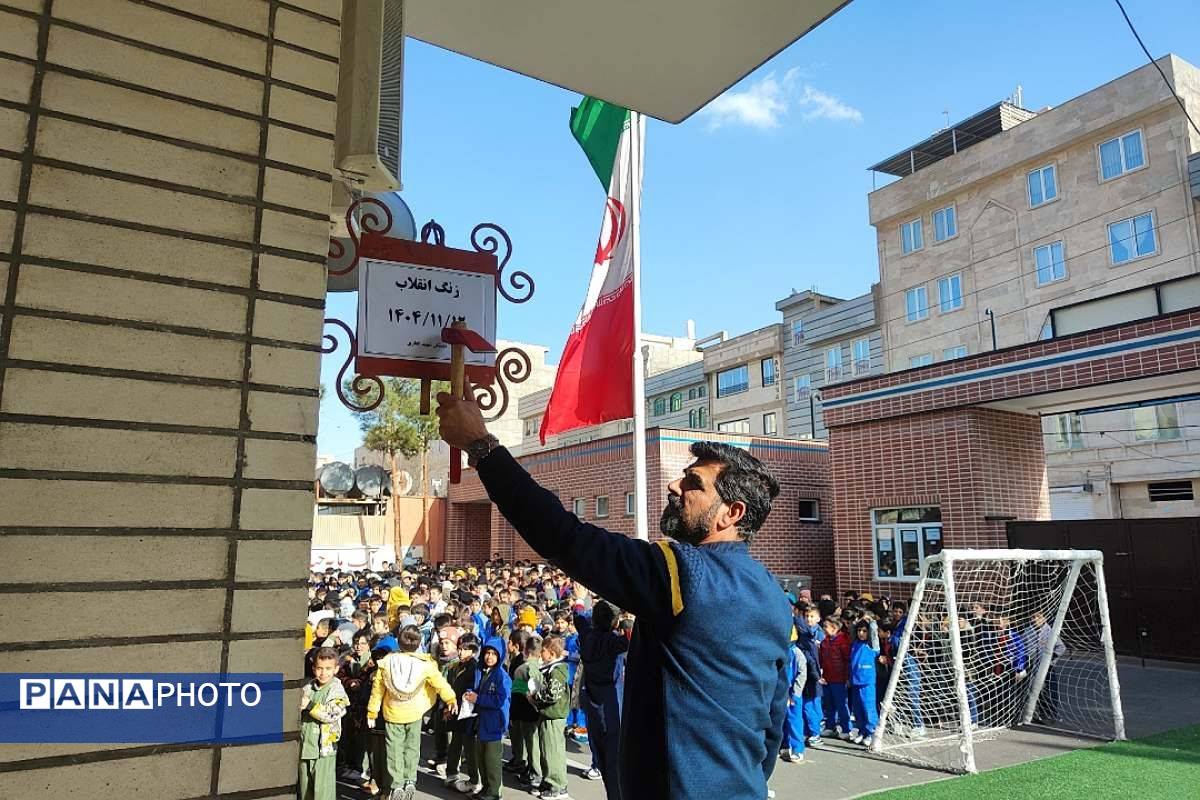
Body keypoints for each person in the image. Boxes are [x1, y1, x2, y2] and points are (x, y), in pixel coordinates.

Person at [437, 392, 791, 800]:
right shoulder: (773, 595)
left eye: (693, 483)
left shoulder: (685, 574)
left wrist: (482, 447)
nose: (675, 485)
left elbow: (564, 536)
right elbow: (771, 724)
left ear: (732, 513)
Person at [367, 625, 457, 800]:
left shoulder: (386, 663)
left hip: (393, 712)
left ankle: (396, 783)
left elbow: (377, 691)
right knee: (412, 748)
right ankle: (410, 778)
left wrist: (372, 712)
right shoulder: (426, 664)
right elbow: (440, 683)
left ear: (399, 642)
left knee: (394, 750)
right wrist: (451, 699)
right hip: (415, 712)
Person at [576, 601, 629, 797]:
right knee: (615, 758)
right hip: (611, 700)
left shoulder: (586, 635)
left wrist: (581, 601)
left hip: (591, 696)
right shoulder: (613, 641)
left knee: (601, 753)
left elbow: (578, 617)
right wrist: (627, 622)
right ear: (614, 622)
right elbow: (631, 637)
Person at [299, 647, 350, 800]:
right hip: (305, 747)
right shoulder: (308, 687)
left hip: (324, 750)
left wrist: (309, 705)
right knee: (305, 790)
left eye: (328, 669)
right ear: (313, 668)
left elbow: (331, 714)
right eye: (319, 668)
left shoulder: (337, 690)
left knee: (322, 792)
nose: (323, 673)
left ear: (336, 669)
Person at [467, 637, 512, 800]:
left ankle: (494, 792)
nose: (489, 657)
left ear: (500, 656)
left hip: (494, 724)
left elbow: (500, 700)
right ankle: (485, 788)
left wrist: (478, 699)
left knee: (492, 761)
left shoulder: (501, 676)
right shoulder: (482, 671)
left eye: (494, 654)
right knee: (482, 759)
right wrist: (470, 693)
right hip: (482, 722)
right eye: (487, 653)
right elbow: (476, 689)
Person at [530, 633, 572, 800]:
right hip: (548, 715)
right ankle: (549, 781)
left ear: (552, 654)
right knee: (546, 750)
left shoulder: (557, 671)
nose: (541, 654)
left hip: (554, 716)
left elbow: (553, 694)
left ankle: (557, 785)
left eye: (543, 651)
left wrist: (535, 696)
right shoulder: (551, 669)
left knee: (552, 751)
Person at [445, 634, 481, 791]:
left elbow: (472, 690)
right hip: (456, 709)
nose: (460, 652)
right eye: (459, 648)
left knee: (469, 746)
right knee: (455, 743)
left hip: (467, 712)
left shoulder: (474, 667)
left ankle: (475, 779)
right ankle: (451, 773)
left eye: (465, 649)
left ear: (473, 651)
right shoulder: (457, 665)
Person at [509, 634, 544, 789]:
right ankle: (532, 769)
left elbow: (520, 694)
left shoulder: (523, 669)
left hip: (526, 711)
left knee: (531, 744)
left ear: (525, 651)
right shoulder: (541, 667)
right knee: (534, 743)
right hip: (536, 712)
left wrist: (513, 714)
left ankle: (535, 773)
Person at [792, 602, 824, 751]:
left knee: (810, 706)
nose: (809, 619)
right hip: (809, 675)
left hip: (812, 676)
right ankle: (811, 732)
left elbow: (812, 659)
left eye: (812, 616)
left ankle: (815, 734)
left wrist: (817, 675)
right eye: (807, 616)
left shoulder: (810, 637)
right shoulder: (806, 635)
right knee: (808, 705)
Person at [1027, 610, 1066, 724]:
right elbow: (1024, 646)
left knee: (1048, 691)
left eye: (1038, 617)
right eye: (1033, 617)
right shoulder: (1028, 631)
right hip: (1032, 667)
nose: (1035, 619)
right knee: (1032, 691)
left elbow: (1061, 647)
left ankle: (1050, 714)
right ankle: (1033, 714)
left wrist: (1049, 660)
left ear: (1044, 619)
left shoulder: (1050, 632)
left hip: (1046, 669)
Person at [818, 616, 852, 738]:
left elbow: (848, 660)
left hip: (839, 678)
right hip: (827, 677)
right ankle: (830, 727)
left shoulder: (843, 641)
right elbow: (821, 659)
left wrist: (847, 677)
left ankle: (846, 729)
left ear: (834, 627)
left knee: (841, 704)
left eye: (826, 626)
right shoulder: (825, 642)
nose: (824, 629)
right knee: (829, 704)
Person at [848, 621, 879, 745]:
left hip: (867, 682)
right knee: (858, 709)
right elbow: (852, 628)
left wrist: (871, 621)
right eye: (859, 630)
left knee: (868, 708)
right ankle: (862, 731)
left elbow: (874, 632)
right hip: (855, 681)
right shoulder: (855, 644)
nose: (861, 633)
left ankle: (871, 733)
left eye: (864, 631)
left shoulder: (871, 645)